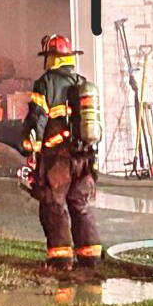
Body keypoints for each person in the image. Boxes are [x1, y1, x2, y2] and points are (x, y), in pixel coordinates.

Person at [20, 32, 101, 270]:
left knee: (53, 205)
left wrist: (31, 149)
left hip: (58, 159)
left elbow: (37, 120)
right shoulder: (82, 83)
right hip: (84, 156)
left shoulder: (45, 83)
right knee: (80, 204)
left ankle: (61, 258)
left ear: (51, 58)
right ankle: (90, 255)